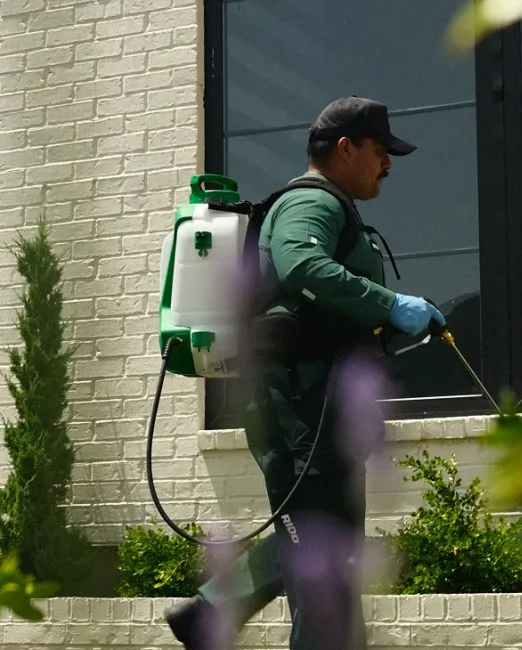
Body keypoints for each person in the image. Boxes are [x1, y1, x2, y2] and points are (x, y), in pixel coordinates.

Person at [162, 96, 446, 650]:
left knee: (330, 553)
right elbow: (301, 264)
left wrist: (381, 324)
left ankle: (212, 612)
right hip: (299, 399)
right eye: (381, 150)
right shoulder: (312, 203)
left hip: (317, 400)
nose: (388, 163)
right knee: (322, 544)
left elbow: (321, 301)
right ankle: (213, 609)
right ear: (346, 148)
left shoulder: (333, 207)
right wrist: (390, 304)